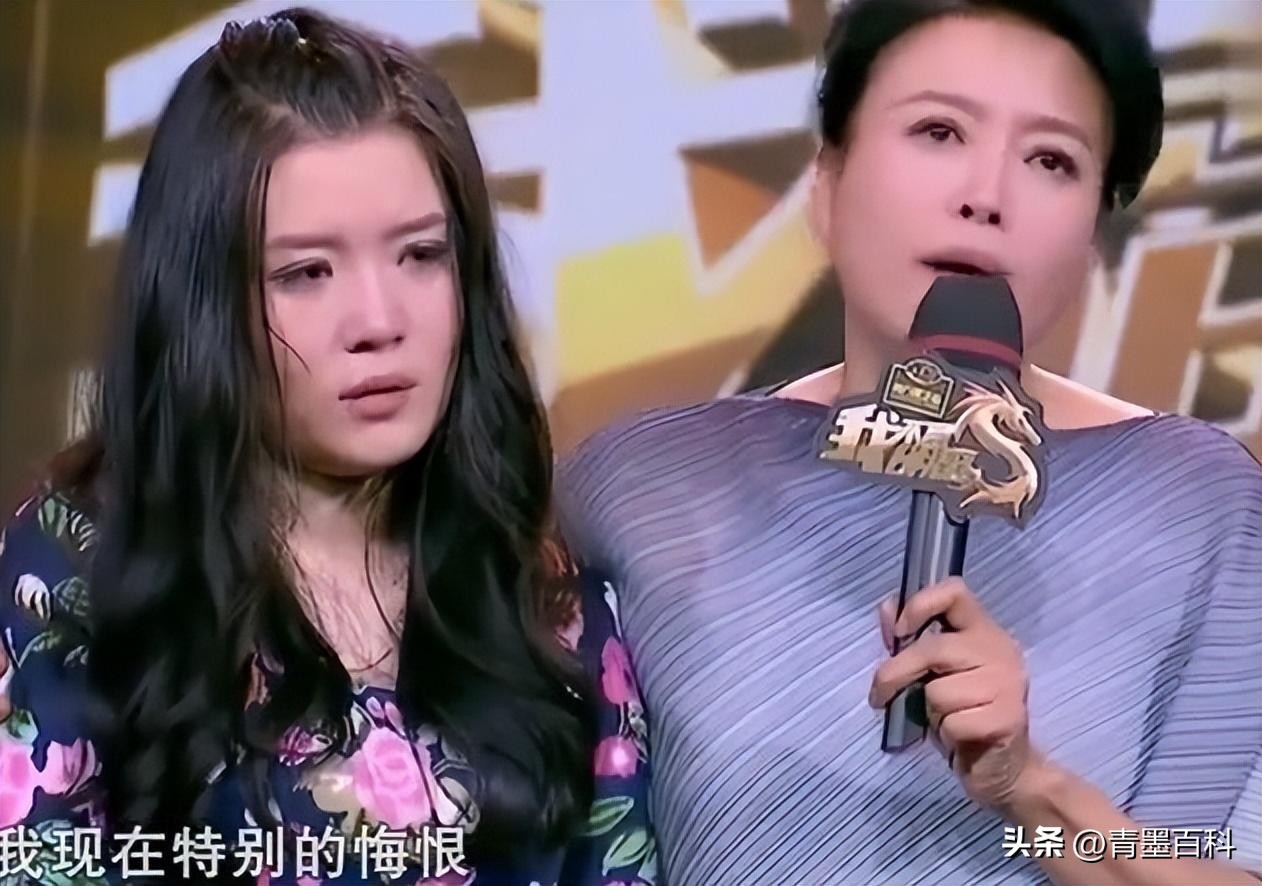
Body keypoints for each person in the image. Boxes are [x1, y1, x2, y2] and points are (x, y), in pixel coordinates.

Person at [557, 0, 1261, 883]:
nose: (985, 196)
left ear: (1094, 233)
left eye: (1051, 159)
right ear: (826, 182)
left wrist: (1031, 787)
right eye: (938, 131)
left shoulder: (1192, 506)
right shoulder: (640, 484)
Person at [0, 9, 655, 885]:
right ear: (203, 302)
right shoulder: (75, 572)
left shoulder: (548, 602)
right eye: (306, 273)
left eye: (421, 255)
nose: (379, 322)